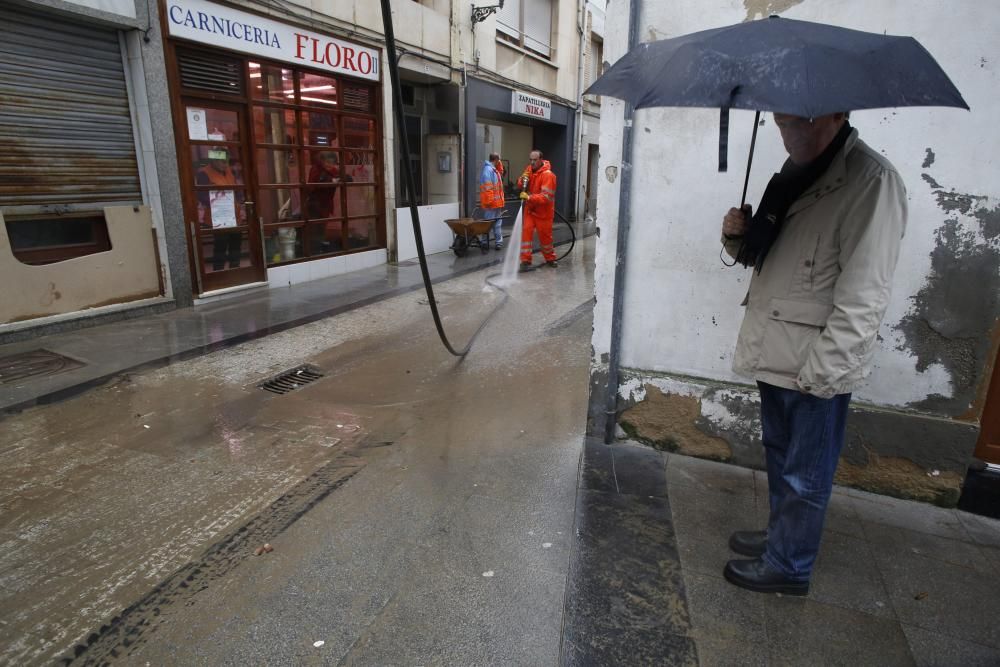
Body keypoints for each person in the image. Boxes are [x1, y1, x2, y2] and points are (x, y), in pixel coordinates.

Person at [719, 112, 907, 595]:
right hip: (775, 345)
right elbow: (768, 259)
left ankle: (790, 565)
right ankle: (784, 536)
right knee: (782, 457)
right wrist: (739, 235)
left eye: (801, 121)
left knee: (807, 471)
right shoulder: (793, 176)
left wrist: (826, 371)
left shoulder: (871, 181)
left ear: (837, 115)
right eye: (782, 121)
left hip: (816, 358)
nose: (790, 132)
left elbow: (866, 294)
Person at [196, 148, 243, 271]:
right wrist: (220, 200)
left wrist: (239, 199)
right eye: (223, 162)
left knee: (236, 245)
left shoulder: (228, 171)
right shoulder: (204, 173)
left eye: (227, 161)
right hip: (218, 216)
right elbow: (201, 196)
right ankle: (219, 272)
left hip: (234, 215)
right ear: (214, 160)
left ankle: (235, 270)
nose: (226, 165)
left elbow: (236, 190)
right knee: (220, 246)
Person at [518, 149, 558, 269]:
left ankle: (550, 258)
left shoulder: (548, 175)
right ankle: (525, 260)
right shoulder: (528, 170)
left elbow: (546, 197)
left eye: (535, 160)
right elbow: (520, 184)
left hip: (544, 212)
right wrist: (521, 180)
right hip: (530, 210)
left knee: (545, 237)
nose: (532, 162)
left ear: (541, 160)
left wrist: (529, 197)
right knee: (526, 234)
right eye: (530, 160)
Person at [479, 152, 506, 250]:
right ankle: (485, 242)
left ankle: (498, 242)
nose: (500, 162)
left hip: (496, 203)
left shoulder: (494, 170)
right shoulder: (489, 170)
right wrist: (490, 201)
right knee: (488, 224)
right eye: (499, 160)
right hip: (491, 203)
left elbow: (501, 171)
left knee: (497, 224)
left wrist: (499, 163)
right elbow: (487, 187)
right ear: (496, 160)